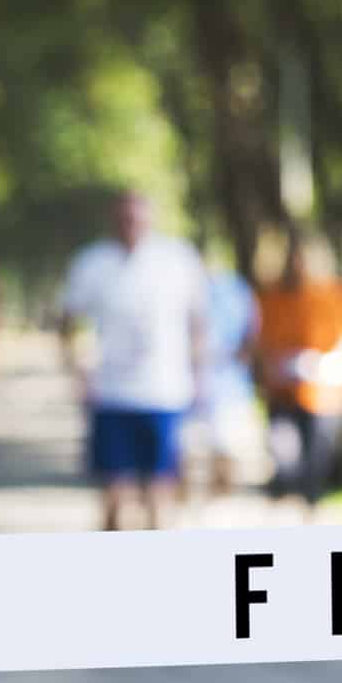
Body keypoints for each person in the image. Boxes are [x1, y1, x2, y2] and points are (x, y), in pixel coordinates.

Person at [58, 186, 208, 531]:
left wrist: (200, 375)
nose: (132, 223)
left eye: (138, 216)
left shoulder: (177, 259)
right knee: (114, 496)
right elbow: (68, 322)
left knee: (161, 492)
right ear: (114, 219)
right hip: (111, 393)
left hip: (165, 392)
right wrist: (78, 372)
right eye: (125, 217)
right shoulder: (92, 262)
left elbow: (198, 322)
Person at [255, 232, 342, 520]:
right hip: (283, 392)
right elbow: (261, 343)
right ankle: (286, 511)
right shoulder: (272, 296)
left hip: (324, 396)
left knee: (314, 469)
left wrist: (334, 365)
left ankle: (310, 518)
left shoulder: (334, 294)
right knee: (285, 460)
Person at [183, 251, 264, 503]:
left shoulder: (235, 290)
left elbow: (252, 331)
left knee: (227, 451)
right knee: (190, 454)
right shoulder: (183, 292)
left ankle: (220, 504)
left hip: (229, 387)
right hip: (190, 387)